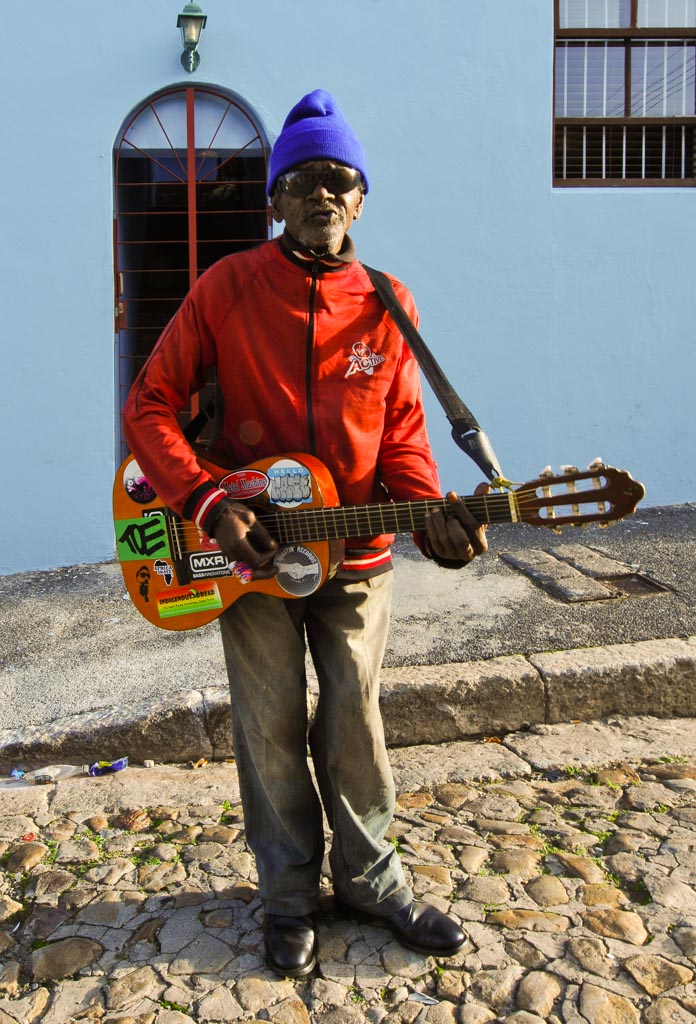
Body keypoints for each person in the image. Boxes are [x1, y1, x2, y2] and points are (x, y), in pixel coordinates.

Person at [123, 88, 488, 979]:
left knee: (355, 719)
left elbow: (402, 433)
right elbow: (152, 406)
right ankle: (288, 896)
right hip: (243, 557)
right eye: (304, 180)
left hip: (356, 558)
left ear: (360, 201)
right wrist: (208, 501)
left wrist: (431, 512)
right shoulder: (226, 289)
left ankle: (372, 882)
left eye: (341, 180)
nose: (323, 194)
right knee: (272, 722)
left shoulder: (390, 304)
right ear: (275, 199)